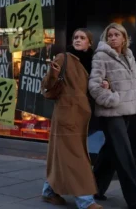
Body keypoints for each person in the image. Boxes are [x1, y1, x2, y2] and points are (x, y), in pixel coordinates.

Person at [41, 28, 103, 209]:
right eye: (75, 37)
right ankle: (85, 201)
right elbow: (46, 84)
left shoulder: (93, 61)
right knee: (77, 157)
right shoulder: (63, 58)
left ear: (89, 43)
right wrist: (52, 74)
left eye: (82, 38)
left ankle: (49, 191)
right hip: (67, 114)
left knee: (62, 155)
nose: (77, 40)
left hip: (82, 115)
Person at [89, 23, 136, 209]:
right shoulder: (101, 56)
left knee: (110, 151)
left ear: (124, 38)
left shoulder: (128, 55)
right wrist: (111, 99)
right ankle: (135, 199)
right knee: (124, 153)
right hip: (111, 112)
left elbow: (135, 79)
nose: (113, 38)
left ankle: (95, 188)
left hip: (128, 109)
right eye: (110, 35)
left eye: (116, 35)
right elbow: (94, 86)